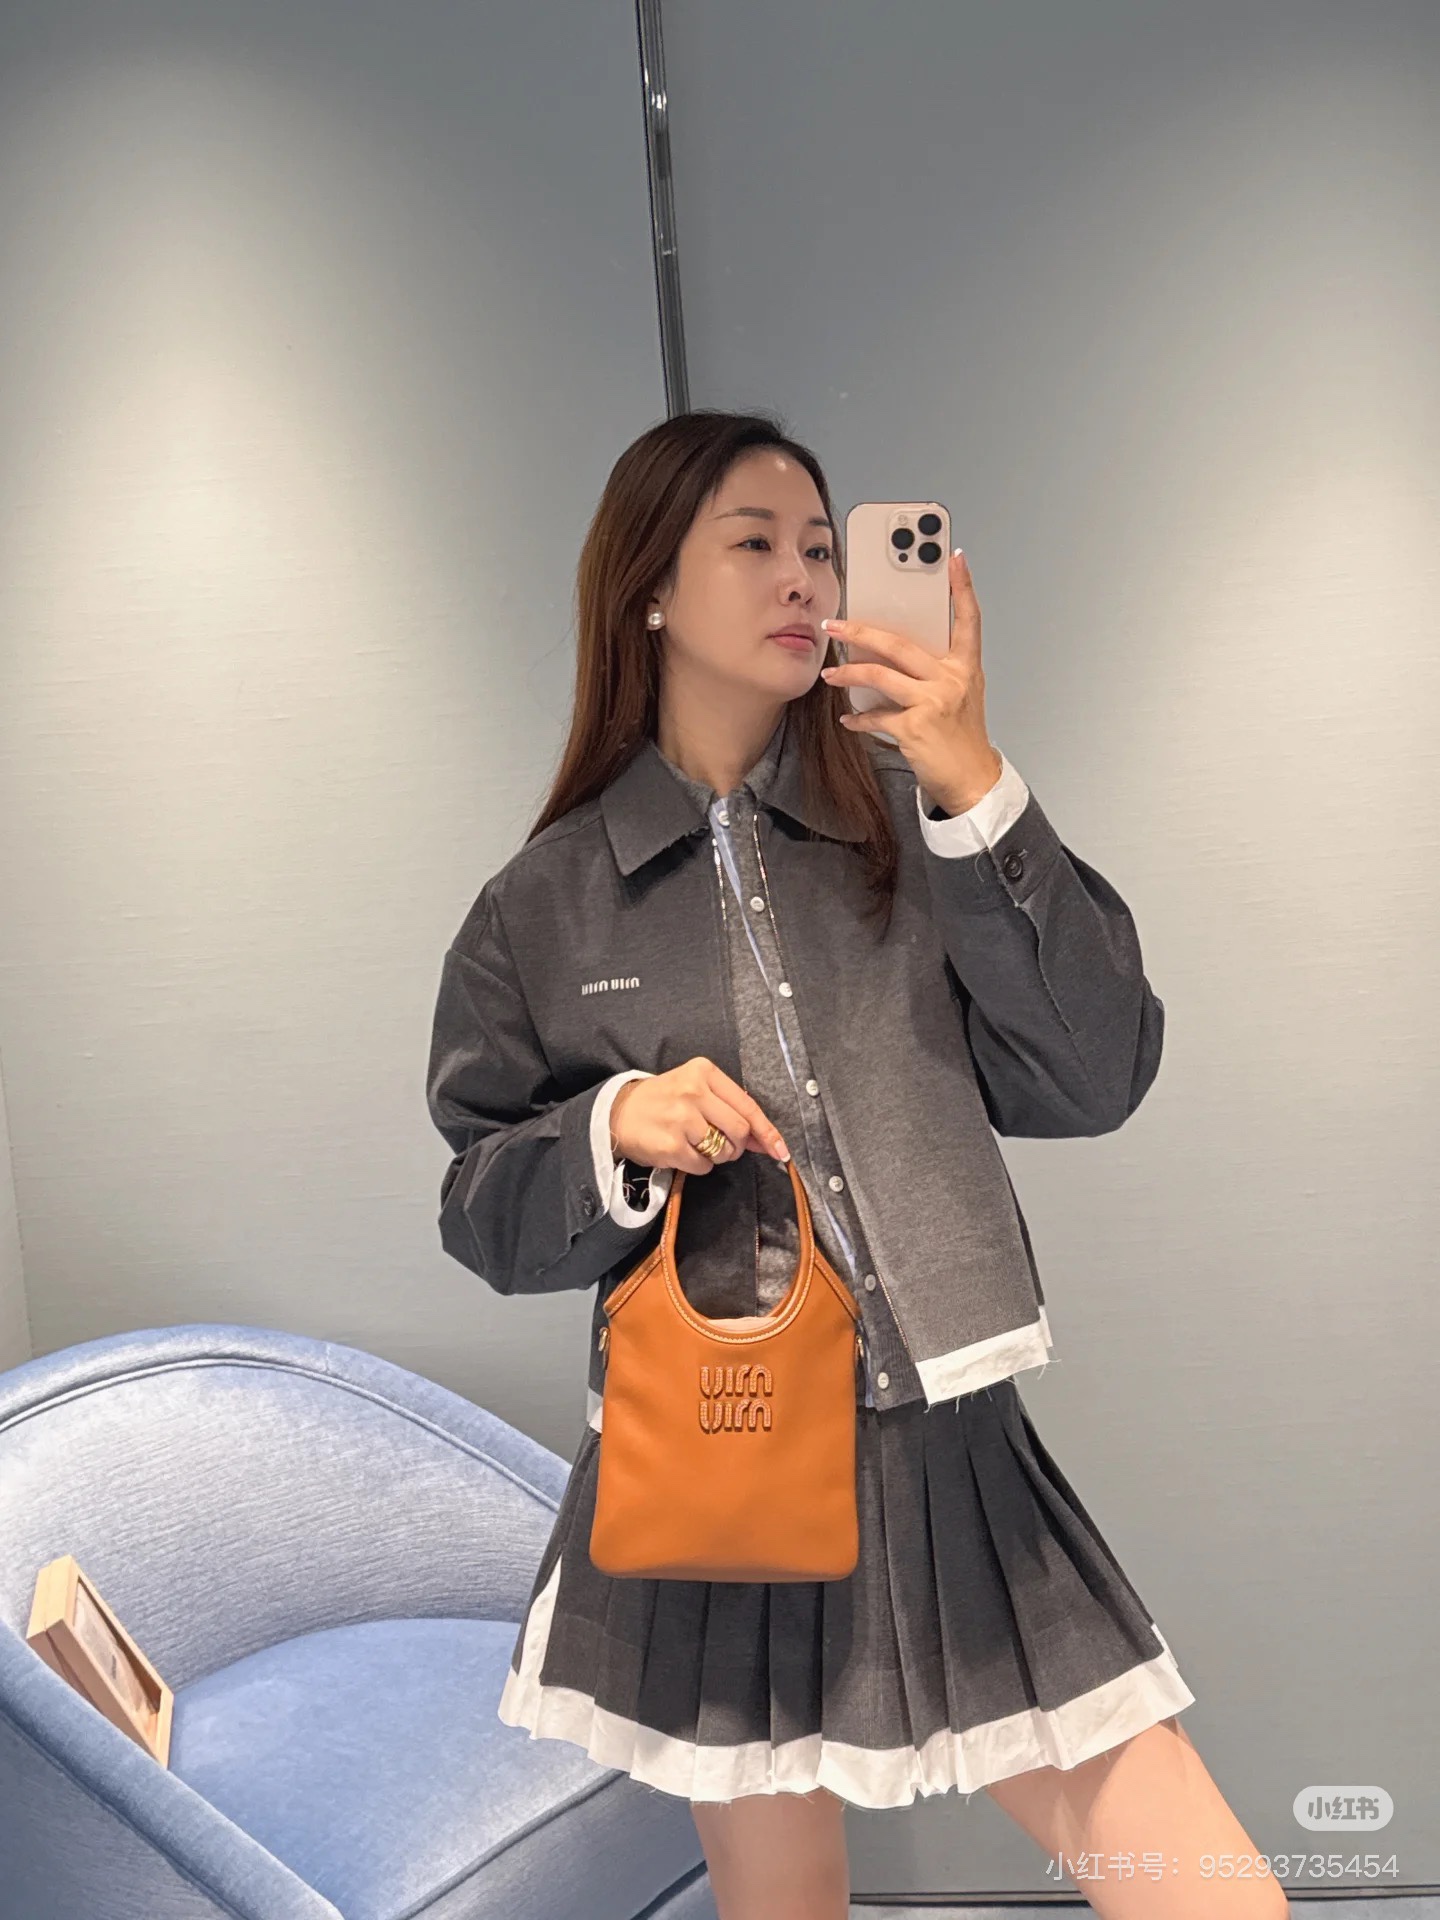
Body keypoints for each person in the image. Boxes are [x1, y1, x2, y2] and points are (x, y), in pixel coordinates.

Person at [426, 410, 1287, 1920]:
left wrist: (973, 779)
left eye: (822, 548)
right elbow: (480, 1203)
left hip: (947, 1443)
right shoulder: (542, 905)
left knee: (1205, 1888)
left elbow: (1096, 1072)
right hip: (717, 1464)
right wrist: (611, 1132)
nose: (804, 577)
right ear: (649, 588)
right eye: (754, 541)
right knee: (782, 1901)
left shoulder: (917, 822)